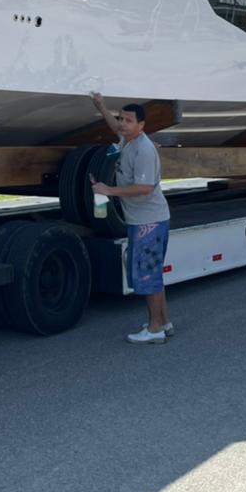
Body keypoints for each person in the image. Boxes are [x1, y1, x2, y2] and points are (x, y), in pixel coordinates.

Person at [88, 92, 172, 345]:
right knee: (152, 274)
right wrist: (101, 105)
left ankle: (155, 328)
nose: (122, 124)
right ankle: (164, 322)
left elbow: (145, 187)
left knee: (147, 275)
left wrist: (108, 191)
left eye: (128, 120)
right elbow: (115, 127)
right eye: (121, 119)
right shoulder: (127, 140)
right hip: (142, 219)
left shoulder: (144, 150)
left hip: (150, 221)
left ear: (141, 126)